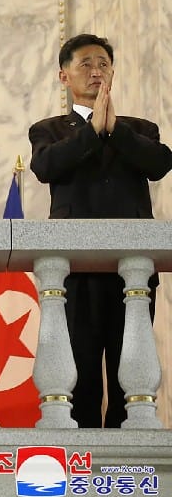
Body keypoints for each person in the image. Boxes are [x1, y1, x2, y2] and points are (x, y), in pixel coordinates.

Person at [28, 33, 170, 427]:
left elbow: (159, 163)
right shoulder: (50, 129)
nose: (96, 72)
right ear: (64, 76)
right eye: (85, 64)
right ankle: (83, 464)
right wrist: (92, 133)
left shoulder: (140, 128)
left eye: (103, 65)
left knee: (132, 371)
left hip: (133, 272)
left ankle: (129, 462)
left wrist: (115, 130)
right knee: (81, 370)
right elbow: (46, 168)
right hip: (76, 270)